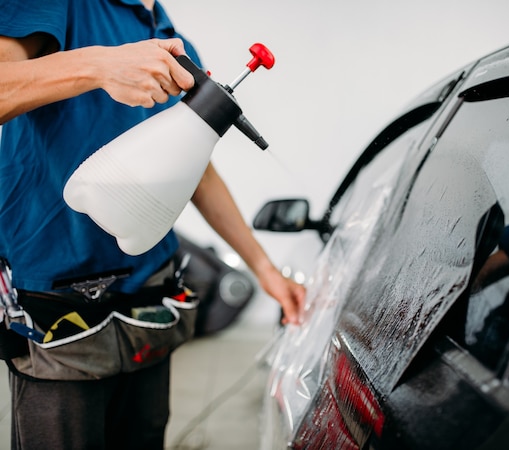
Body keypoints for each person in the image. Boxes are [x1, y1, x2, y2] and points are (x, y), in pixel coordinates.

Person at [0, 1, 306, 449]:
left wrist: (265, 270)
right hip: (58, 307)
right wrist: (102, 64)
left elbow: (195, 170)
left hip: (149, 295)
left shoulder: (170, 36)